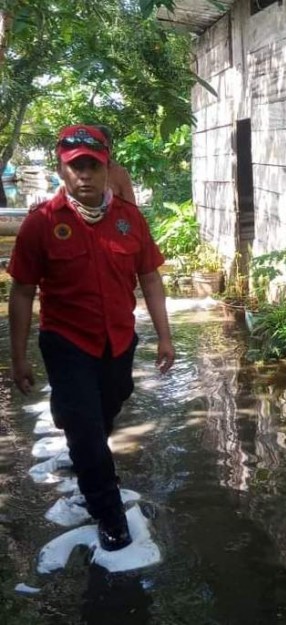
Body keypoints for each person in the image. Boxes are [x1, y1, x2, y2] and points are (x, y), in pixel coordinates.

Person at [8, 124, 174, 551]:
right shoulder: (40, 223)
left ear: (107, 168)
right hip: (66, 341)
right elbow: (23, 290)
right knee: (87, 430)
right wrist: (19, 356)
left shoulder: (129, 219)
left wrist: (165, 336)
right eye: (75, 166)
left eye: (92, 166)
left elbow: (150, 278)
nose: (84, 174)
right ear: (62, 169)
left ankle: (70, 413)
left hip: (118, 339)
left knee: (107, 406)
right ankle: (108, 509)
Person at [93, 124, 137, 206]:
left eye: (100, 146)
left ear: (110, 148)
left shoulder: (119, 173)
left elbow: (132, 209)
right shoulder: (78, 172)